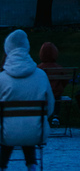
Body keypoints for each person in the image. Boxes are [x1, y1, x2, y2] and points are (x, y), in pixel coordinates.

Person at [0, 29, 54, 171]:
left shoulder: (2, 79)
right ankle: (32, 165)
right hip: (37, 132)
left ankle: (2, 165)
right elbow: (50, 107)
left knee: (11, 128)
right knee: (28, 125)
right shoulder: (41, 75)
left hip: (6, 133)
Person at [36, 43, 65, 128]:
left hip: (43, 94)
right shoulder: (59, 68)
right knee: (57, 94)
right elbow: (64, 81)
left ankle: (43, 115)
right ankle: (56, 116)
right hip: (56, 94)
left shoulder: (38, 68)